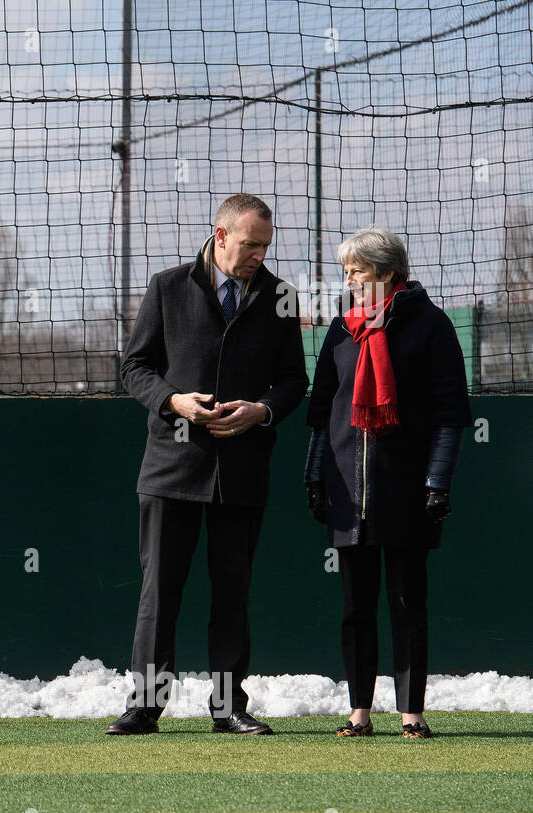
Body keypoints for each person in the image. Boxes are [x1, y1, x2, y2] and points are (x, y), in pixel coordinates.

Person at [108, 193, 309, 735]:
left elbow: (295, 380)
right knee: (159, 592)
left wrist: (261, 411)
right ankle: (145, 708)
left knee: (232, 593)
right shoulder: (167, 287)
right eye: (249, 244)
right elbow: (134, 366)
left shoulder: (281, 297)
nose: (258, 256)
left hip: (241, 470)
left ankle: (229, 708)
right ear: (220, 235)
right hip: (170, 468)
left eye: (265, 246)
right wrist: (174, 401)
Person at [305, 227, 470, 739]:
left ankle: (411, 713)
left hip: (406, 490)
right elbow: (321, 410)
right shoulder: (341, 328)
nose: (349, 278)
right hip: (346, 489)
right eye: (348, 270)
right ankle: (359, 713)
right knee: (355, 605)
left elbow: (450, 414)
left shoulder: (432, 326)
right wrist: (314, 473)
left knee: (406, 600)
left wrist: (436, 483)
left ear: (387, 272)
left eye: (358, 269)